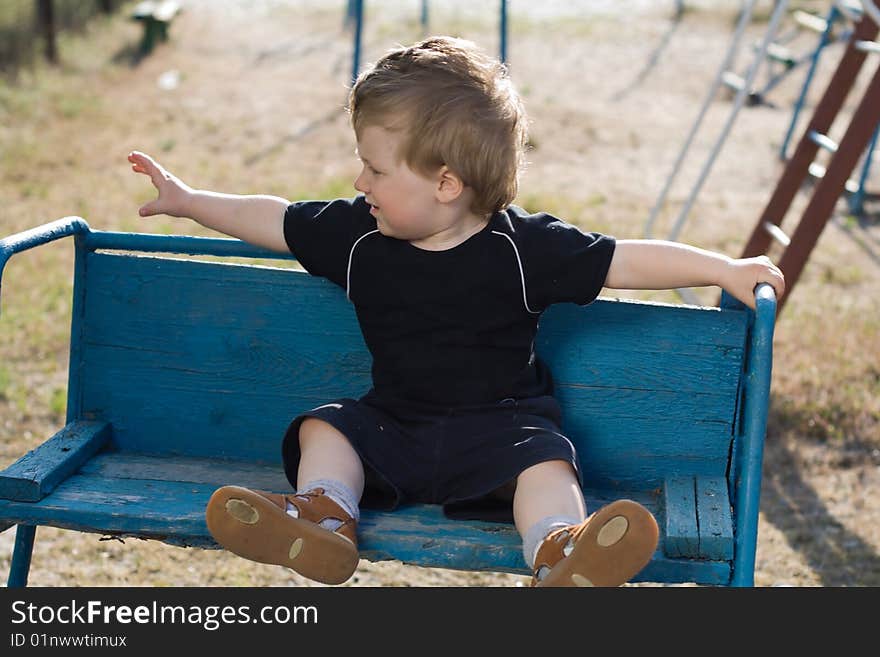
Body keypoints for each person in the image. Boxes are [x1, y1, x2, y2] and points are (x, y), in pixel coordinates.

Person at [128, 36, 785, 588]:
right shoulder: (358, 234)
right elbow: (271, 217)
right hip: (394, 424)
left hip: (500, 431)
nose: (360, 183)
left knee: (546, 458)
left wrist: (723, 269)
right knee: (326, 426)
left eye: (375, 169)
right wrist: (190, 200)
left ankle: (558, 548)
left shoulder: (524, 248)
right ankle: (326, 515)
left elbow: (626, 261)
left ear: (446, 183)